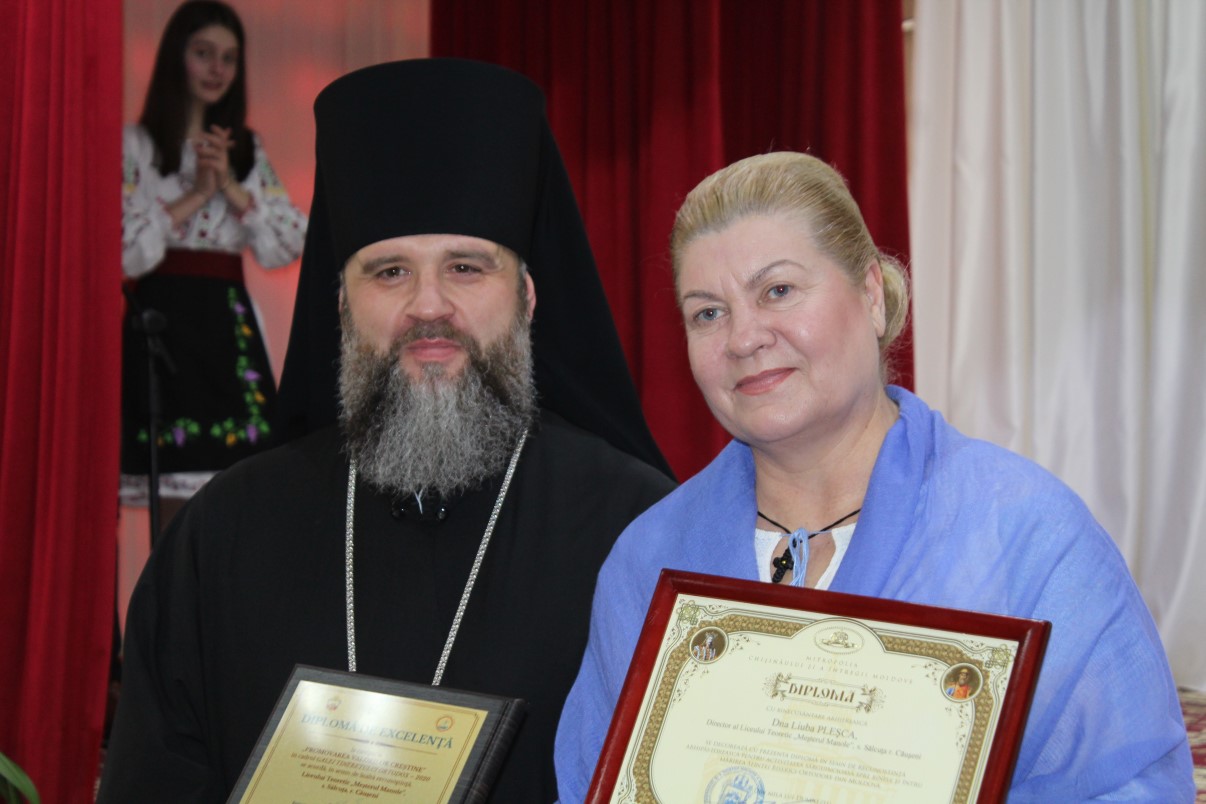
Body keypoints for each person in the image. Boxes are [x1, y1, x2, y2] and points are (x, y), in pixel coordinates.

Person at [98, 59, 675, 803]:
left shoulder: (635, 530)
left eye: (466, 268)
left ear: (528, 298)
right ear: (341, 305)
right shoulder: (222, 537)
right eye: (390, 272)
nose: (428, 307)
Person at [554, 152, 1194, 801]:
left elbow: (1135, 787)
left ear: (871, 296)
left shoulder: (1023, 535)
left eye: (778, 291)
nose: (743, 338)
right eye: (708, 313)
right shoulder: (650, 559)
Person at [121, 0, 306, 510]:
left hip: (226, 326)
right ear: (176, 57)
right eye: (203, 53)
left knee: (236, 492)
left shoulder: (246, 150)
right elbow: (125, 252)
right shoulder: (138, 146)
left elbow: (289, 241)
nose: (217, 69)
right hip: (161, 324)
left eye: (228, 58)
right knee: (169, 487)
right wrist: (198, 194)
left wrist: (228, 185)